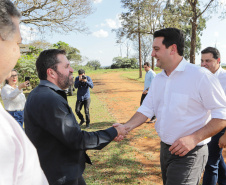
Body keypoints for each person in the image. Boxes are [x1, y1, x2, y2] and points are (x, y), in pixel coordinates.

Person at [114, 28, 226, 185]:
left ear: (173, 49)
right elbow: (146, 109)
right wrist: (126, 127)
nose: (152, 54)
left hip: (190, 153)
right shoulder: (159, 79)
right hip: (165, 149)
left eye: (156, 49)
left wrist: (194, 138)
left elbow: (222, 115)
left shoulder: (200, 76)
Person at [24, 49, 128, 185]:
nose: (72, 70)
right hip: (60, 176)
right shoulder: (49, 98)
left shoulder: (41, 94)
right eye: (67, 66)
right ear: (51, 72)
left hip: (63, 170)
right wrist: (113, 131)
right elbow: (77, 139)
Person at [0, 0, 48, 184]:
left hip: (20, 114)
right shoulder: (6, 89)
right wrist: (19, 88)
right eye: (18, 43)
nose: (18, 54)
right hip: (15, 115)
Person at [201, 47, 226, 185]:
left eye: (208, 60)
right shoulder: (203, 77)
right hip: (206, 125)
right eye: (202, 61)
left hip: (220, 126)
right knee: (216, 157)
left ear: (218, 61)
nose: (204, 64)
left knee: (210, 163)